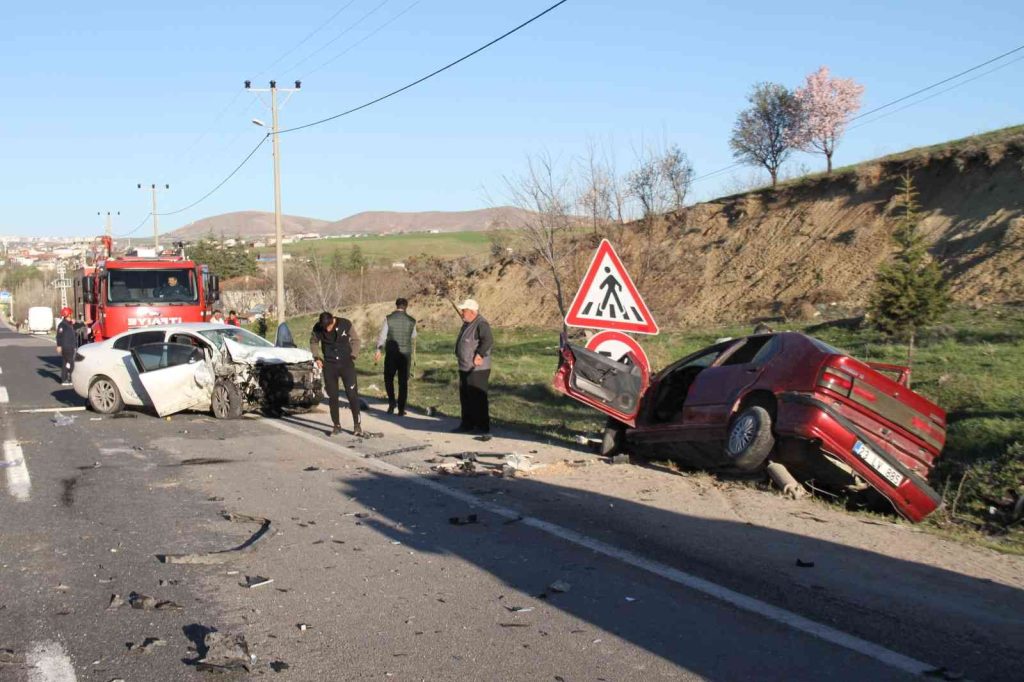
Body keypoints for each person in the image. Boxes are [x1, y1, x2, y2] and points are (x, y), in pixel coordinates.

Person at [310, 311, 364, 437]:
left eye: (329, 327)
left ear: (333, 321)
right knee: (333, 397)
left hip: (346, 364)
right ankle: (336, 425)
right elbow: (313, 342)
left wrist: (353, 355)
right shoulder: (318, 328)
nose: (327, 330)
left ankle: (357, 425)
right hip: (329, 365)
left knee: (352, 395)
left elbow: (356, 339)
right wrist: (316, 357)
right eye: (325, 328)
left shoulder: (345, 323)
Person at [453, 299, 493, 434]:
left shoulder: (481, 323)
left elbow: (488, 340)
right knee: (465, 397)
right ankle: (467, 424)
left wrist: (480, 354)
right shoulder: (466, 323)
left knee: (478, 398)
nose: (462, 312)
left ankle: (482, 426)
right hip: (464, 366)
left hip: (477, 369)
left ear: (472, 311)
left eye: (464, 310)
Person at [374, 298, 417, 415]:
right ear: (406, 307)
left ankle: (392, 404)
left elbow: (382, 336)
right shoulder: (411, 320)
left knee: (389, 379)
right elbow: (413, 335)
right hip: (405, 354)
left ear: (396, 305)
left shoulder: (389, 319)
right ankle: (401, 409)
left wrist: (378, 350)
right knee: (403, 381)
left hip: (391, 354)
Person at [55, 307, 78, 386]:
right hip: (66, 346)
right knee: (71, 363)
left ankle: (64, 379)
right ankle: (71, 379)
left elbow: (75, 326)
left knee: (65, 363)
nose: (71, 315)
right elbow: (59, 336)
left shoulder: (69, 323)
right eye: (70, 314)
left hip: (70, 346)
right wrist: (59, 346)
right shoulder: (62, 325)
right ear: (68, 315)